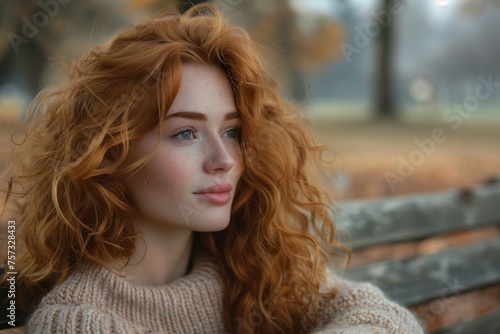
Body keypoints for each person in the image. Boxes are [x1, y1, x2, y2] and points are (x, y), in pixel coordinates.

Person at [1, 5, 424, 333]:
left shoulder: (249, 271)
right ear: (109, 153)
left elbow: (382, 317)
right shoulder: (78, 321)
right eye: (185, 133)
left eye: (233, 132)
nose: (224, 160)